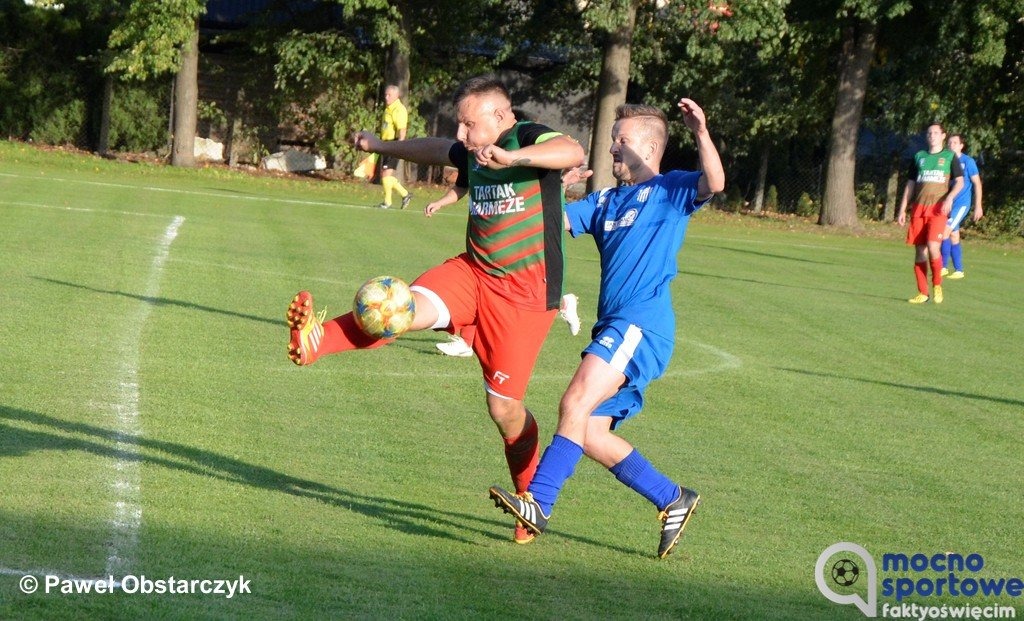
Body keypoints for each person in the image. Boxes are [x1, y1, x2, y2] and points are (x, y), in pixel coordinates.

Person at [287, 76, 585, 544]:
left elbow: (572, 151)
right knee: (400, 307)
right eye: (460, 126)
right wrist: (384, 144)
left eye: (470, 125)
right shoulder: (472, 146)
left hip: (525, 297)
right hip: (473, 272)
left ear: (500, 117)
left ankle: (529, 502)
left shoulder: (526, 137)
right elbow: (437, 148)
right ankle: (315, 342)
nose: (463, 136)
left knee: (504, 410)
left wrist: (513, 158)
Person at [488, 98, 725, 559]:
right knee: (591, 431)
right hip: (615, 327)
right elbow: (544, 227)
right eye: (613, 139)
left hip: (641, 326)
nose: (612, 148)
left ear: (650, 148)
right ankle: (672, 498)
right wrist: (552, 187)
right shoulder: (605, 202)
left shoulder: (671, 190)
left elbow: (715, 182)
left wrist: (700, 131)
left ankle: (539, 503)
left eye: (622, 140)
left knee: (573, 401)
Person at [897, 123, 963, 304]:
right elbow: (910, 185)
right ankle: (923, 293)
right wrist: (903, 209)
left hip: (938, 209)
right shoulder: (919, 157)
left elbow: (959, 182)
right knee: (920, 250)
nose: (932, 136)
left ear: (943, 136)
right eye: (929, 133)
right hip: (919, 209)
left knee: (934, 246)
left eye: (935, 133)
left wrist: (949, 198)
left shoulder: (949, 157)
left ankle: (937, 285)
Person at [940, 134, 983, 279]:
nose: (951, 145)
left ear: (961, 145)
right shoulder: (946, 161)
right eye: (950, 142)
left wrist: (978, 206)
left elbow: (977, 184)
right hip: (948, 204)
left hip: (962, 205)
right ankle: (959, 270)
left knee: (944, 231)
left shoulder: (968, 162)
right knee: (953, 235)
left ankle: (942, 267)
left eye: (955, 142)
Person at [377, 85, 414, 210]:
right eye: (385, 94)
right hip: (386, 144)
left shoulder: (398, 109)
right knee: (386, 175)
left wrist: (399, 146)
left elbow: (402, 129)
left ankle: (388, 202)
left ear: (397, 96)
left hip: (394, 144)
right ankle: (405, 195)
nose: (386, 97)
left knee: (386, 175)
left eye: (389, 95)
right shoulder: (388, 108)